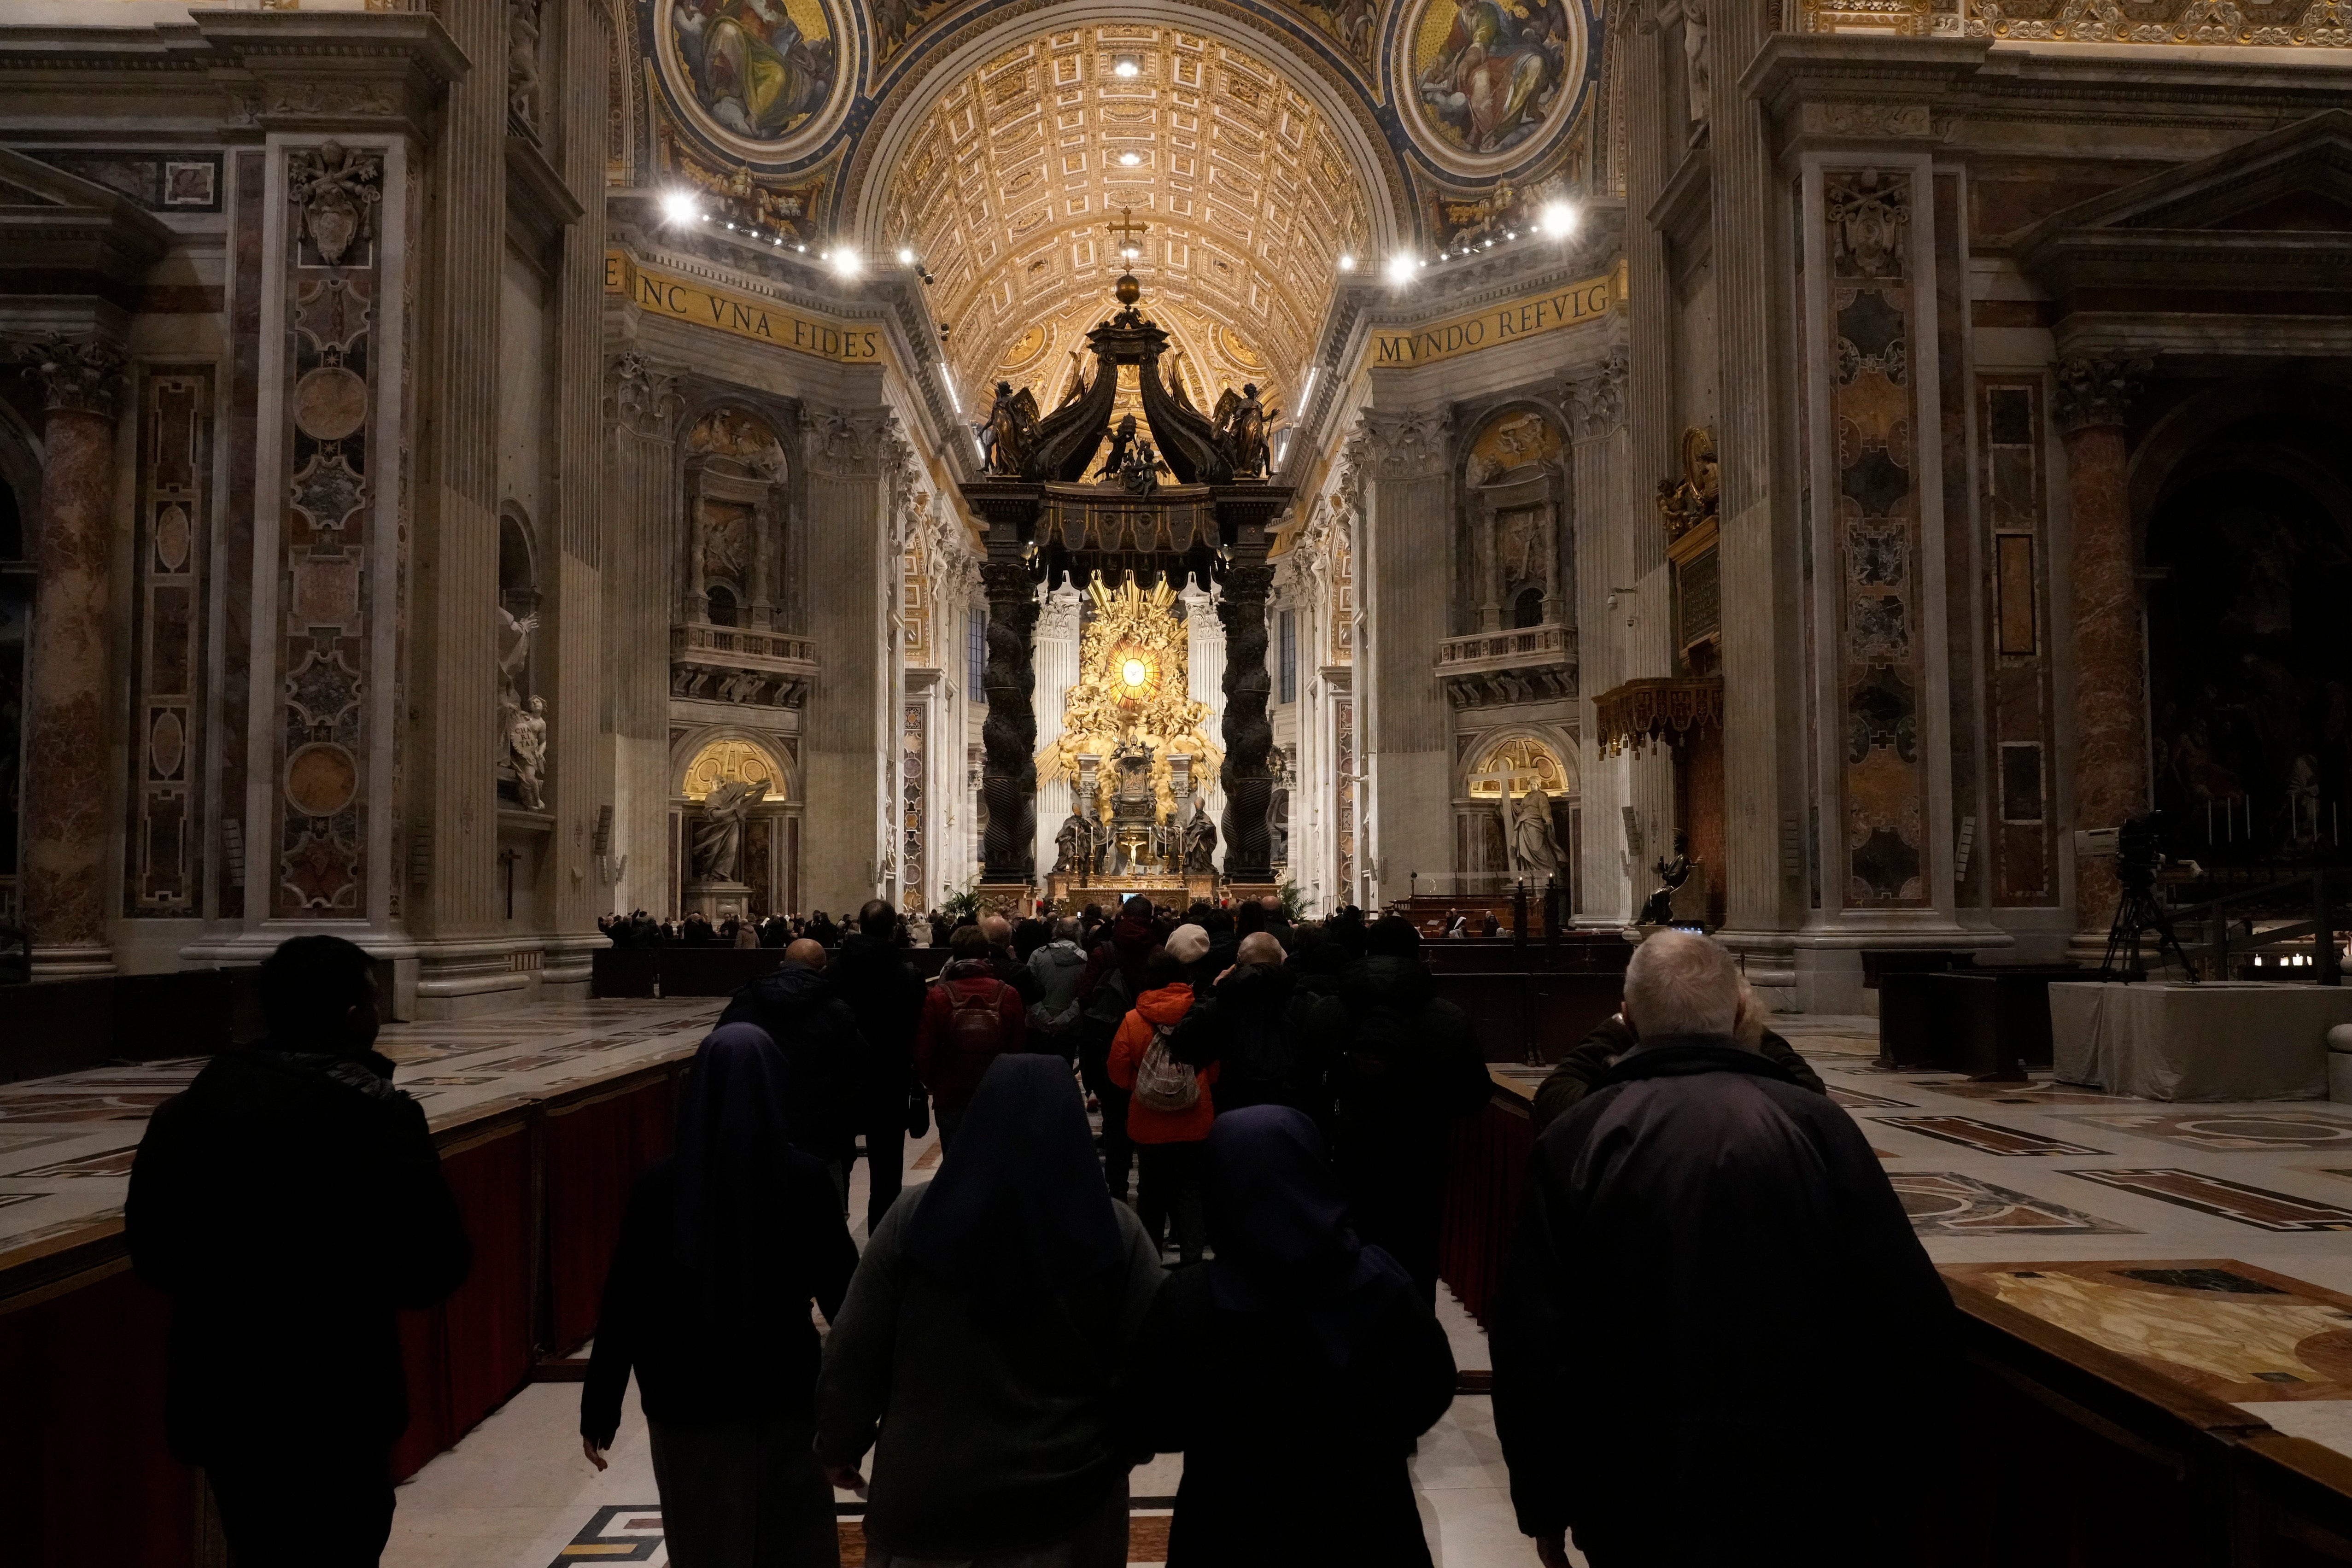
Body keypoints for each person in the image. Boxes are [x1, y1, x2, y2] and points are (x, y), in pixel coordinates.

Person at [1492, 930, 1954, 1568]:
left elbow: (1532, 1340)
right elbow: (1904, 1314)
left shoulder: (1581, 1135)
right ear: (1740, 1014)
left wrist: (1543, 1500)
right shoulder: (1816, 1127)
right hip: (1800, 1479)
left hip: (1631, 1481)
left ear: (1627, 1020)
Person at [126, 935, 470, 1568]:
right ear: (352, 1017)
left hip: (225, 1398)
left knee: (256, 1548)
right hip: (340, 1398)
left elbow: (152, 1257)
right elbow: (434, 1269)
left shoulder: (184, 1117)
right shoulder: (378, 1121)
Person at [815, 1057, 1167, 1568]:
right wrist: (1120, 1453)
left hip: (928, 1504)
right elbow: (1153, 1366)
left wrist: (838, 1442)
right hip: (1068, 1508)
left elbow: (854, 1351)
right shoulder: (1117, 1230)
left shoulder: (912, 1218)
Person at [1117, 1107, 1456, 1567]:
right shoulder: (1379, 1281)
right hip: (1367, 1523)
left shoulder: (1191, 1300)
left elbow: (1150, 1419)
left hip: (1228, 1529)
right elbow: (1432, 1387)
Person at [581, 1027, 859, 1568]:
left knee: (705, 1539)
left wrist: (600, 1405)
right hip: (784, 1391)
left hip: (687, 1396)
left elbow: (623, 1303)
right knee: (793, 1543)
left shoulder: (660, 1184)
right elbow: (848, 1303)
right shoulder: (803, 1178)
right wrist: (855, 1417)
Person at [1307, 915, 1492, 1304]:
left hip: (1345, 1159)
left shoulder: (1327, 1012)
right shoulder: (1448, 1016)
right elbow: (1474, 1095)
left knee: (1347, 1263)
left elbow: (1305, 1089)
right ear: (1418, 954)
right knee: (1415, 1266)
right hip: (1421, 1162)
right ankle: (1412, 1350)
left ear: (1368, 952)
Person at [1529, 986, 1825, 1135]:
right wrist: (1742, 1024)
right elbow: (1809, 1091)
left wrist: (1623, 1025)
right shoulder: (1798, 1118)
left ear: (1630, 1019)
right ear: (1738, 1013)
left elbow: (1553, 1098)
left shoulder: (1618, 1118)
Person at [718, 942, 864, 1196]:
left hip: (757, 1138)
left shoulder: (743, 1004)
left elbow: (720, 1060)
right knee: (825, 1222)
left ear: (782, 964)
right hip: (822, 1139)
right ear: (823, 970)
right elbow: (857, 1072)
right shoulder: (835, 1011)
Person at [1108, 948, 1218, 1264]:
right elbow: (1214, 1067)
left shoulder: (1133, 1019)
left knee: (1151, 1193)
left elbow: (1117, 1069)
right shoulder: (1200, 1014)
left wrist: (1143, 1084)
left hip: (1148, 1119)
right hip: (1194, 1115)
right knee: (1190, 1192)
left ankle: (1148, 1263)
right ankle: (1193, 1263)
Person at [830, 900, 929, 1235]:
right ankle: (882, 1245)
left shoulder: (834, 971)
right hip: (889, 1080)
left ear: (859, 925)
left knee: (838, 1160)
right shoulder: (908, 974)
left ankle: (835, 1238)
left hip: (842, 1079)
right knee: (887, 1172)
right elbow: (918, 1029)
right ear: (893, 930)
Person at [1168, 931, 1325, 1123]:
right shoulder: (1309, 1003)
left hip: (1235, 1111)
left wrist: (1213, 991)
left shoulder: (1224, 1002)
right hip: (1294, 1111)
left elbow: (1182, 1045)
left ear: (1239, 962)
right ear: (1282, 962)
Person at [914, 925, 1028, 1147]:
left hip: (951, 1096)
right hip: (996, 1093)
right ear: (986, 953)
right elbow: (1018, 1049)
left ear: (955, 955)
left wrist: (939, 1084)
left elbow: (924, 1051)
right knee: (993, 1163)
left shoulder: (938, 996)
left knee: (955, 1166)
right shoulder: (1009, 994)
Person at [1075, 895, 1158, 1202]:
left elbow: (1086, 997)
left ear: (1122, 918)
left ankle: (1117, 1191)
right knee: (1152, 1119)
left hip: (1111, 1045)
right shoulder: (1159, 952)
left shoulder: (1104, 951)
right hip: (1150, 1044)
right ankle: (1151, 1195)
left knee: (1115, 1121)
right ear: (1150, 919)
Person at [1027, 916, 1090, 1059]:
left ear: (1056, 931)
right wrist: (1063, 1020)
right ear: (1078, 934)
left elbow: (1028, 989)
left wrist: (1043, 1018)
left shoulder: (1038, 955)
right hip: (1070, 1029)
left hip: (1037, 1027)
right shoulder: (1086, 960)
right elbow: (1085, 995)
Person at [979, 913, 1046, 1007]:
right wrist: (1015, 959)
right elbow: (1039, 993)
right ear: (1008, 940)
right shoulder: (1017, 971)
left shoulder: (972, 966)